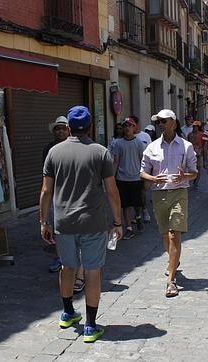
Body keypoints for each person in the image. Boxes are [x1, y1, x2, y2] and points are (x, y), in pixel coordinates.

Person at [39, 105, 123, 343]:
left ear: (67, 127)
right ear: (90, 126)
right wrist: (117, 222)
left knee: (68, 267)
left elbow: (46, 190)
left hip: (63, 222)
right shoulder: (100, 152)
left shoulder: (54, 153)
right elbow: (112, 192)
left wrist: (43, 221)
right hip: (93, 223)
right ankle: (90, 325)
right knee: (93, 271)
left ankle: (67, 313)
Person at [141, 109, 197, 298]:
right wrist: (153, 178)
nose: (161, 125)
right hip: (159, 194)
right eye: (159, 122)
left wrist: (185, 176)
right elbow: (142, 172)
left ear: (173, 122)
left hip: (179, 192)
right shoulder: (152, 147)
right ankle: (173, 260)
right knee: (165, 235)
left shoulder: (186, 146)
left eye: (164, 121)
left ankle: (171, 280)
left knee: (175, 235)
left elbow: (195, 172)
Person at [112, 117, 146, 240]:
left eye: (129, 126)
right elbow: (116, 161)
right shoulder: (118, 143)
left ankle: (138, 217)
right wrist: (112, 177)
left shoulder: (139, 143)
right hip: (122, 178)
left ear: (134, 128)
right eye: (125, 126)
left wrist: (144, 176)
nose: (127, 128)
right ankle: (129, 228)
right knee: (125, 205)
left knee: (137, 203)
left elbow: (142, 160)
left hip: (136, 178)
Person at [43, 116, 70, 274]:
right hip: (54, 194)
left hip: (72, 194)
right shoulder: (48, 149)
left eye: (63, 128)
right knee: (56, 227)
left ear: (68, 130)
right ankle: (59, 257)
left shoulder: (75, 147)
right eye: (57, 129)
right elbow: (45, 175)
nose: (60, 131)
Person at [129, 115, 152, 223]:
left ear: (136, 125)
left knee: (142, 192)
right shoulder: (126, 137)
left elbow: (152, 151)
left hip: (144, 169)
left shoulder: (145, 136)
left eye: (132, 124)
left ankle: (144, 210)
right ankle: (137, 213)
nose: (129, 127)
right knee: (134, 193)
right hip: (131, 170)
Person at [186, 120, 204, 189]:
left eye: (196, 126)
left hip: (199, 154)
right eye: (193, 126)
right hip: (191, 154)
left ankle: (196, 183)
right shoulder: (190, 134)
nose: (194, 127)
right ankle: (190, 180)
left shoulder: (202, 134)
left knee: (198, 169)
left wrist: (201, 151)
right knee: (190, 168)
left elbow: (204, 145)